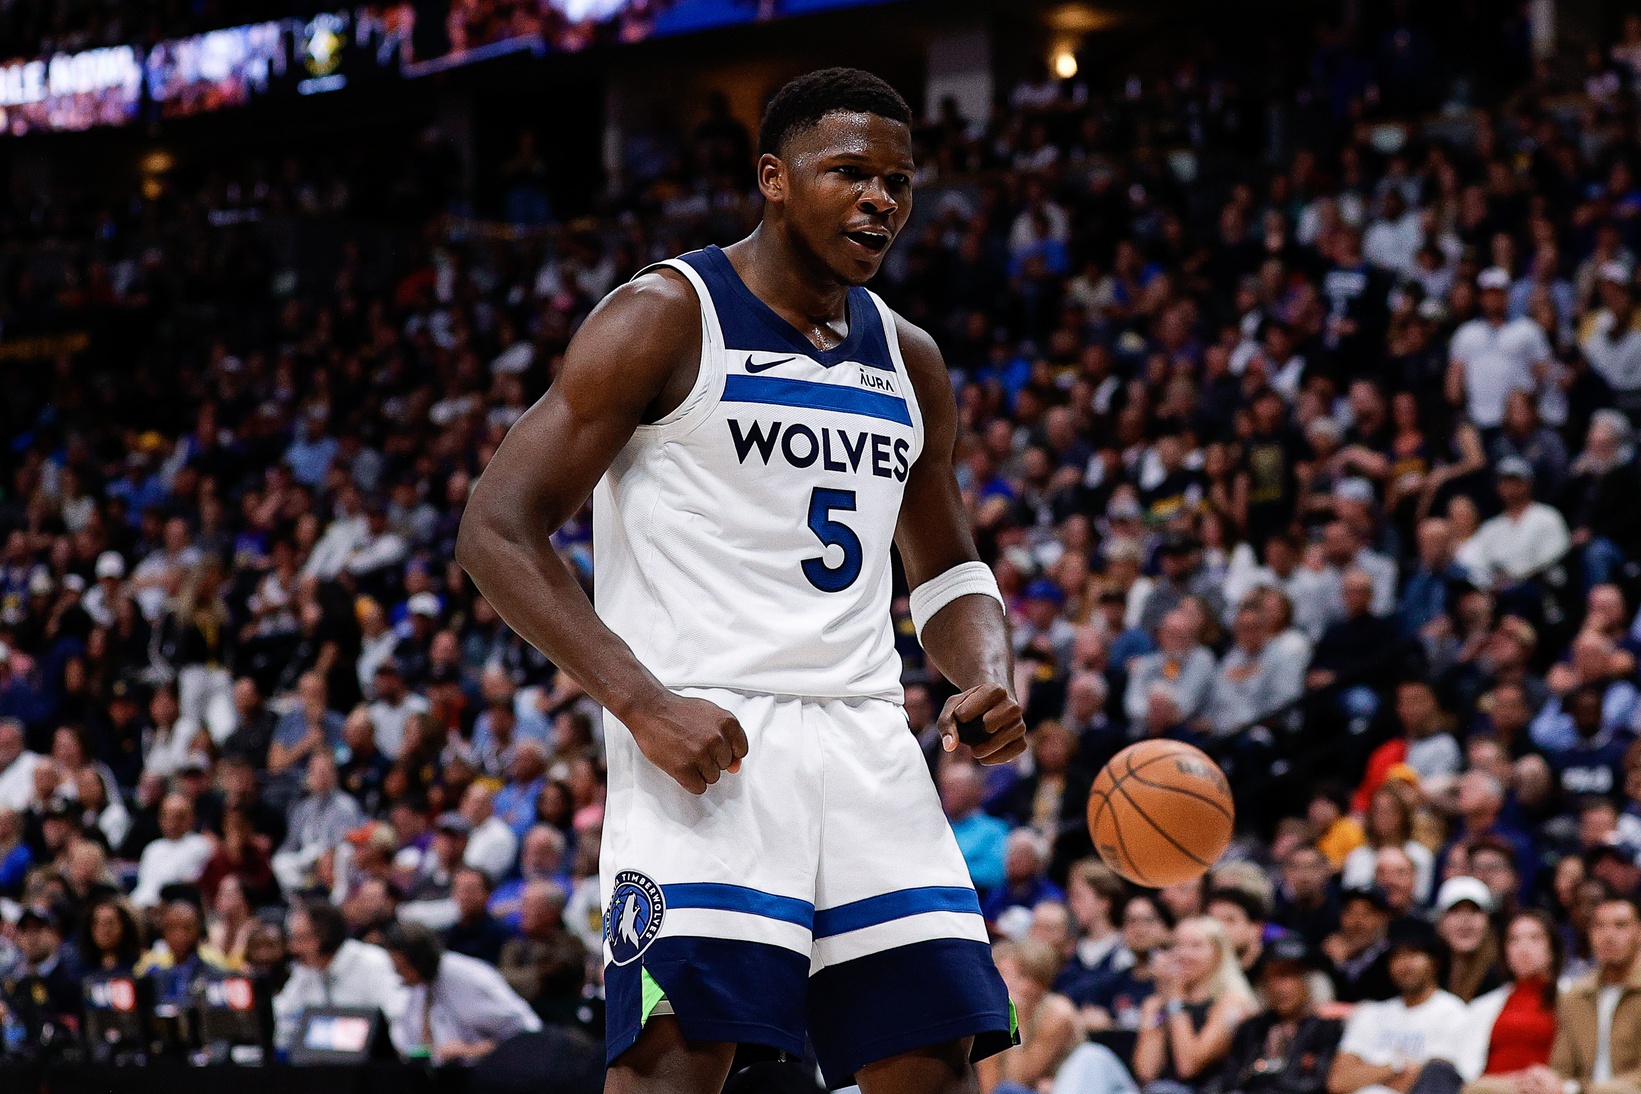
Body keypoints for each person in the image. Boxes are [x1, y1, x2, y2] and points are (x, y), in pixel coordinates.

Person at [457, 67, 1025, 1094]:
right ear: (772, 176)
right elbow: (496, 526)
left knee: (936, 1064)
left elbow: (947, 566)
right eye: (849, 172)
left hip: (864, 735)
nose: (880, 200)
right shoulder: (666, 315)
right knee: (676, 1067)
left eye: (898, 181)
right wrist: (641, 702)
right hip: (703, 738)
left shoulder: (911, 358)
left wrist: (985, 667)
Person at [1326, 919, 1470, 1094]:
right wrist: (1396, 1066)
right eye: (1397, 956)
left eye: (1413, 954)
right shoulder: (1371, 1012)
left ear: (1434, 962)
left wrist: (1366, 1072)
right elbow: (1338, 1082)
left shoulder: (1452, 1012)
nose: (1404, 964)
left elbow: (1432, 1083)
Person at [1525, 896, 1641, 1094]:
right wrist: (1544, 1080)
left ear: (1638, 932)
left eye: (1620, 926)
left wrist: (1576, 1089)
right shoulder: (1574, 996)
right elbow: (1562, 1067)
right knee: (1483, 1089)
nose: (1608, 935)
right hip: (1576, 1091)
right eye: (1599, 926)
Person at [383, 921, 542, 1065]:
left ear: (419, 961)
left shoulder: (469, 977)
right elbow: (408, 1040)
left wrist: (471, 1051)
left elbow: (527, 1032)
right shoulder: (418, 987)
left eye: (401, 967)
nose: (397, 973)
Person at [1133, 916, 1259, 1092]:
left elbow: (1188, 1066)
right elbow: (1146, 1073)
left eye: (1196, 946)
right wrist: (1162, 1000)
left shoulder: (1232, 1003)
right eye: (1177, 945)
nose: (1184, 954)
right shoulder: (1156, 1004)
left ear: (1218, 953)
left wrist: (1176, 1001)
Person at [1216, 937, 1344, 1094]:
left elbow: (1318, 1082)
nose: (1278, 987)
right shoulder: (1251, 1028)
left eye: (1287, 975)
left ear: (1310, 981)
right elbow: (1230, 1080)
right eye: (1270, 977)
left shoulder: (1327, 1029)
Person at [272, 898, 405, 1049]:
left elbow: (395, 1016)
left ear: (325, 937)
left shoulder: (372, 962)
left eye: (301, 939)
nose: (292, 948)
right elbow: (282, 1017)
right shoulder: (304, 971)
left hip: (368, 1060)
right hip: (318, 1061)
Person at [1457, 910, 1562, 1093]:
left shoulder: (1570, 1000)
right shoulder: (1483, 1005)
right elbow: (1467, 1070)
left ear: (1552, 948)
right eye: (1514, 940)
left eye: (1535, 938)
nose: (1523, 947)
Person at [978, 939, 1084, 1093]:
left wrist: (1017, 1019)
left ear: (1039, 982)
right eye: (1000, 974)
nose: (1006, 984)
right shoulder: (993, 1014)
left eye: (1018, 976)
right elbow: (988, 1087)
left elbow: (1018, 1081)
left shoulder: (1057, 1013)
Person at [130, 793, 213, 908]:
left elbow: (185, 885)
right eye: (167, 816)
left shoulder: (199, 845)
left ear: (192, 818)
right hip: (142, 905)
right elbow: (144, 886)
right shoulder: (152, 849)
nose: (173, 822)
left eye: (179, 816)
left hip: (173, 907)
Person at [1434, 877, 1507, 1004]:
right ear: (1440, 922)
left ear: (1488, 921)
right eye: (1455, 911)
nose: (1465, 920)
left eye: (1474, 911)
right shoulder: (1430, 974)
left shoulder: (1504, 974)